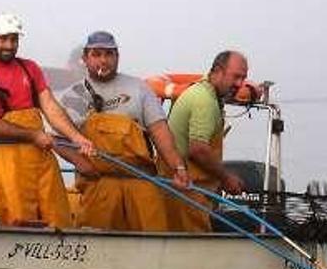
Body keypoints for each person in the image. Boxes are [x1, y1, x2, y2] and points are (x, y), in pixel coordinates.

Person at [0, 13, 95, 228]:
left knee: (58, 218)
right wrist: (33, 135)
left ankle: (62, 257)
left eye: (14, 39)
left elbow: (50, 107)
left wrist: (77, 138)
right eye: (3, 39)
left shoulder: (30, 68)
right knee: (20, 222)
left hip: (41, 157)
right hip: (6, 161)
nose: (9, 45)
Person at [55, 31, 191, 232]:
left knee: (154, 239)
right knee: (96, 244)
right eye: (97, 54)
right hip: (99, 183)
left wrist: (178, 168)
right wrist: (81, 164)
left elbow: (160, 131)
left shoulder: (139, 88)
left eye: (109, 54)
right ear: (85, 58)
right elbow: (58, 140)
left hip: (141, 180)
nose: (104, 60)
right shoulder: (73, 95)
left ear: (117, 56)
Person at [162, 50, 250, 232]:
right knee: (193, 248)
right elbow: (198, 149)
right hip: (186, 191)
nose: (240, 84)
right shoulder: (204, 100)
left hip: (191, 189)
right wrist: (226, 178)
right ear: (218, 70)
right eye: (236, 77)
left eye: (243, 78)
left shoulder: (204, 91)